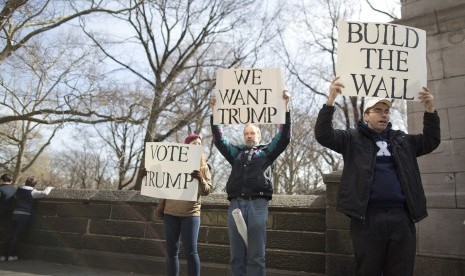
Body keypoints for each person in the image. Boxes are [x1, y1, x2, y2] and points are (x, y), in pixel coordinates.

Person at [314, 77, 440, 276]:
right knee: (368, 270)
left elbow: (431, 141)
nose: (384, 115)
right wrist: (330, 100)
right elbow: (324, 135)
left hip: (402, 218)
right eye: (378, 111)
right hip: (367, 219)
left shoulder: (402, 140)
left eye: (387, 111)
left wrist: (430, 110)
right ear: (366, 115)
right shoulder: (351, 139)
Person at [210, 90, 291, 276]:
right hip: (236, 204)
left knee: (256, 255)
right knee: (236, 255)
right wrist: (215, 113)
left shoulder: (266, 152)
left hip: (258, 204)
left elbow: (284, 137)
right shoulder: (236, 153)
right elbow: (219, 140)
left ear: (258, 136)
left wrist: (286, 107)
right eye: (246, 133)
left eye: (252, 132)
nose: (248, 135)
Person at [155, 133, 212, 276]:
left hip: (190, 214)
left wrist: (201, 179)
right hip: (170, 213)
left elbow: (206, 191)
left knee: (191, 252)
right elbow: (165, 187)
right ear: (186, 147)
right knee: (171, 252)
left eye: (199, 144)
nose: (197, 146)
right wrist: (161, 206)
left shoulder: (203, 167)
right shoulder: (173, 164)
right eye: (194, 144)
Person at [1, 176, 53, 261]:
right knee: (17, 235)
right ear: (34, 184)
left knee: (9, 235)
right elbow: (44, 193)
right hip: (24, 215)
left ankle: (3, 255)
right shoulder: (32, 192)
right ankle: (11, 255)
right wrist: (49, 187)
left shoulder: (18, 190)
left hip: (14, 214)